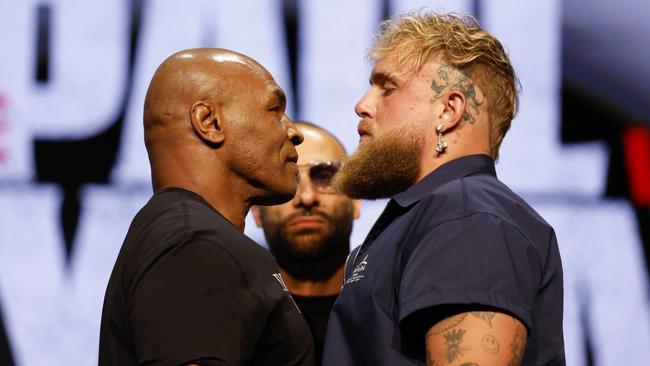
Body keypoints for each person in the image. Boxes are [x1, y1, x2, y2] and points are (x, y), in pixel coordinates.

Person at [323, 12, 565, 366]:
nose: (362, 105)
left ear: (448, 110)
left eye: (386, 87)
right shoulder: (433, 215)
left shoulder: (468, 219)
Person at [99, 48, 315, 365]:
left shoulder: (183, 236)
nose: (293, 131)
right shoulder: (196, 247)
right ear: (209, 122)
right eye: (274, 110)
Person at [251, 122, 360, 365]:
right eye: (286, 179)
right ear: (256, 211)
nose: (306, 197)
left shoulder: (392, 311)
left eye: (324, 176)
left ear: (356, 201)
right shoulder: (232, 320)